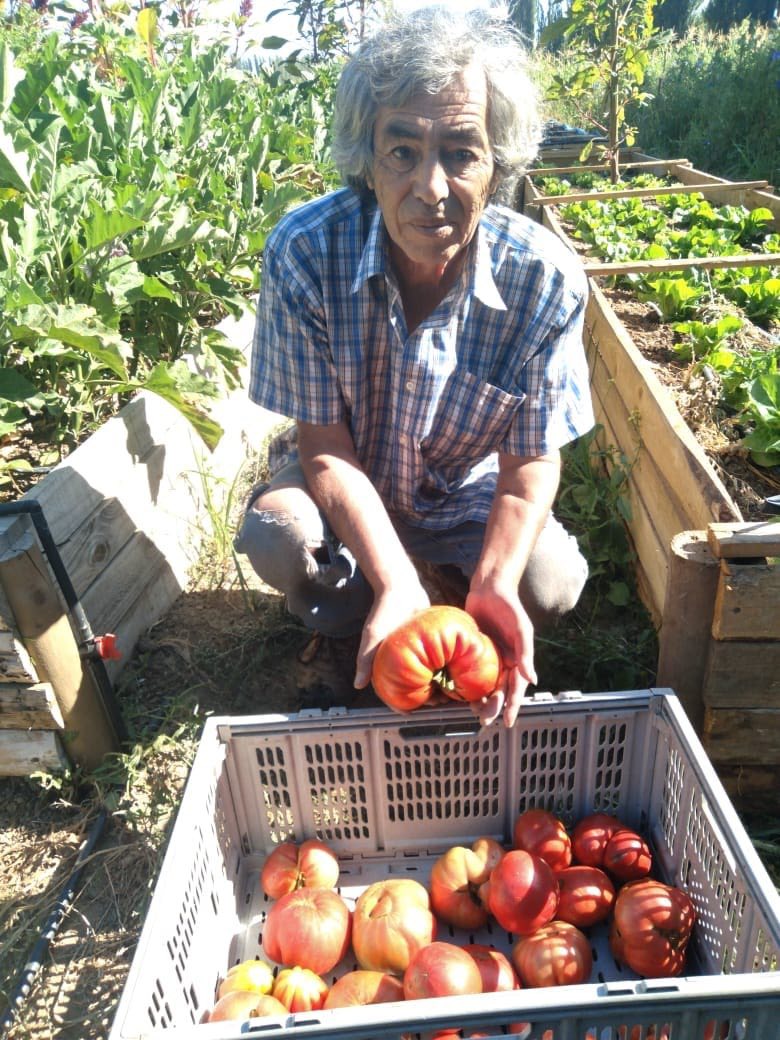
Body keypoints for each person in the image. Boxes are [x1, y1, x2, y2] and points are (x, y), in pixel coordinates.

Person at [234, 5, 594, 727]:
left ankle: (456, 590)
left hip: (462, 487)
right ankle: (357, 617)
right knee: (277, 536)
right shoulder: (306, 253)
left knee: (550, 582)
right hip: (346, 470)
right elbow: (326, 451)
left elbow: (529, 465)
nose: (431, 187)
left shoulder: (545, 278)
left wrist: (494, 581)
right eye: (403, 152)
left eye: (461, 152)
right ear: (368, 158)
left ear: (499, 164)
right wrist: (394, 576)